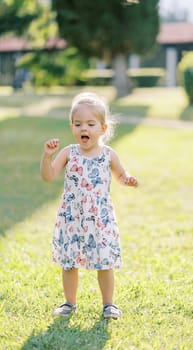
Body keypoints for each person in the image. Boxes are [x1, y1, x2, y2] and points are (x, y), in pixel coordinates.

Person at [40, 92, 138, 319]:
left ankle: (108, 304)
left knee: (104, 262)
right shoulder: (69, 153)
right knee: (69, 262)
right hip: (72, 217)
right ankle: (69, 303)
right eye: (78, 124)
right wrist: (47, 157)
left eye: (90, 124)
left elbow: (120, 175)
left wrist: (128, 179)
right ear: (71, 126)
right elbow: (49, 175)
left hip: (100, 218)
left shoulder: (108, 155)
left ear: (103, 128)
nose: (84, 128)